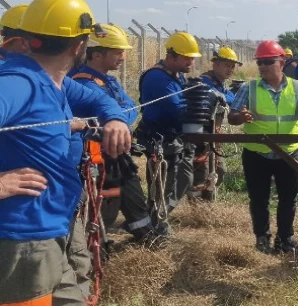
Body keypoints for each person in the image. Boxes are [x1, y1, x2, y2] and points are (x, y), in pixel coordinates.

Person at [0, 0, 131, 306]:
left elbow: (98, 99)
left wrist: (114, 119)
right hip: (23, 236)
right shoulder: (19, 83)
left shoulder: (52, 80)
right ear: (79, 46)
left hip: (51, 229)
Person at [228, 41, 298, 254]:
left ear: (281, 62)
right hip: (257, 153)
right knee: (259, 198)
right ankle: (262, 239)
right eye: (260, 62)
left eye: (268, 62)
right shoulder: (249, 88)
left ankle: (285, 239)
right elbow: (232, 116)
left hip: (289, 153)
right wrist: (240, 117)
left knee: (288, 198)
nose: (262, 66)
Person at [69, 24, 153, 240]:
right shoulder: (84, 85)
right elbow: (126, 114)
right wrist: (120, 116)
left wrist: (120, 116)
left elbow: (131, 108)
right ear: (96, 54)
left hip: (113, 155)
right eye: (118, 52)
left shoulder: (108, 81)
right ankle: (98, 247)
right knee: (102, 208)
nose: (123, 57)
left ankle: (142, 232)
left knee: (127, 192)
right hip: (98, 160)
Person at [135, 31, 201, 231]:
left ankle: (158, 216)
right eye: (187, 57)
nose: (191, 62)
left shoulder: (177, 75)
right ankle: (156, 224)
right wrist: (200, 106)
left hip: (174, 137)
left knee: (183, 178)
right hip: (159, 140)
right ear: (172, 56)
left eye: (192, 58)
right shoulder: (157, 78)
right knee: (161, 185)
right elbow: (177, 108)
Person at [191, 46, 241, 200]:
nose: (230, 69)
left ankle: (207, 198)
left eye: (232, 66)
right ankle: (198, 207)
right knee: (203, 171)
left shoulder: (220, 84)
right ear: (215, 64)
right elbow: (218, 97)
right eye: (227, 65)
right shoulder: (204, 83)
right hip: (201, 137)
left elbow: (230, 98)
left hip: (214, 136)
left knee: (219, 170)